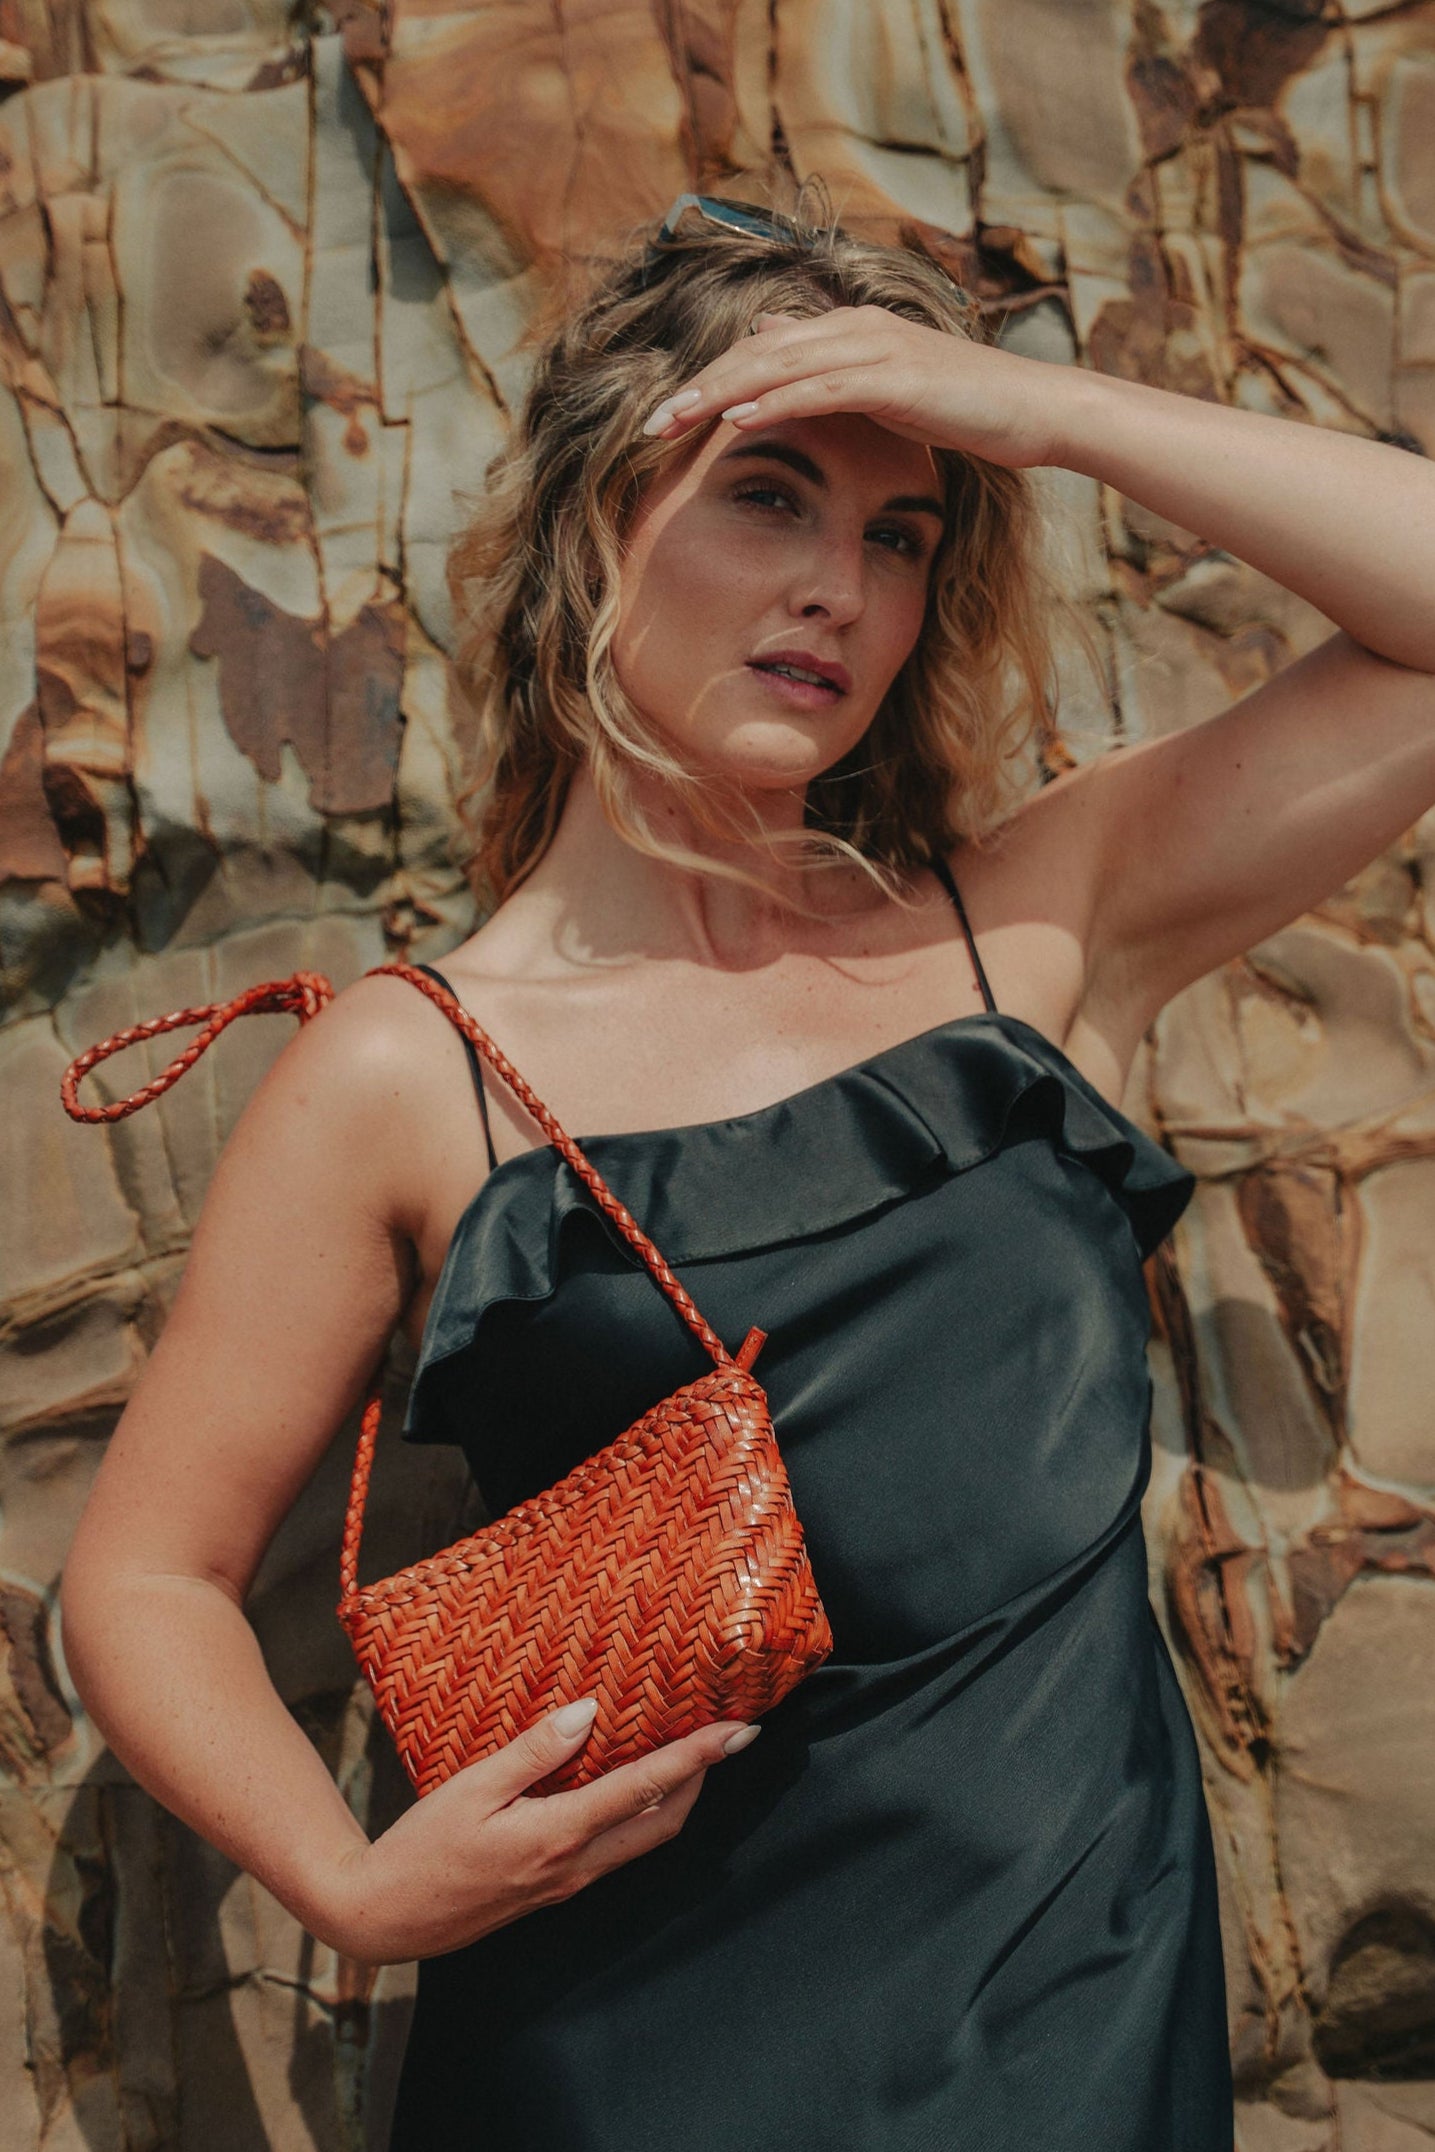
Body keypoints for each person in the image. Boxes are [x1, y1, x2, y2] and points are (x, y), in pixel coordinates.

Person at [58, 188, 1435, 2151]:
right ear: (596, 522)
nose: (838, 590)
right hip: (618, 2058)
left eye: (899, 535)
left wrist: (1038, 414)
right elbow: (145, 1575)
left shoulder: (1037, 934)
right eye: (769, 498)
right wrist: (349, 1882)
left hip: (1067, 2034)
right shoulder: (412, 1066)